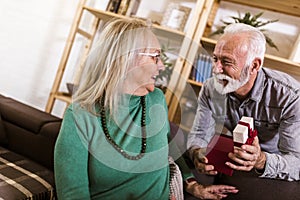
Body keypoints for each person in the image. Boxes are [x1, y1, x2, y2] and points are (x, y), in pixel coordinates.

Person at [54, 18, 238, 200]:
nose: (161, 65)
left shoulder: (156, 99)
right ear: (125, 59)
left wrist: (193, 186)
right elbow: (73, 194)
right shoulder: (80, 115)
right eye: (154, 56)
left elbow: (167, 146)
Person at [187, 23, 300, 181]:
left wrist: (260, 160)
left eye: (226, 62)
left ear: (254, 66)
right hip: (231, 158)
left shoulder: (290, 96)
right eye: (215, 59)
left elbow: (296, 163)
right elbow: (199, 134)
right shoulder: (210, 88)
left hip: (271, 168)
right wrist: (197, 152)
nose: (216, 69)